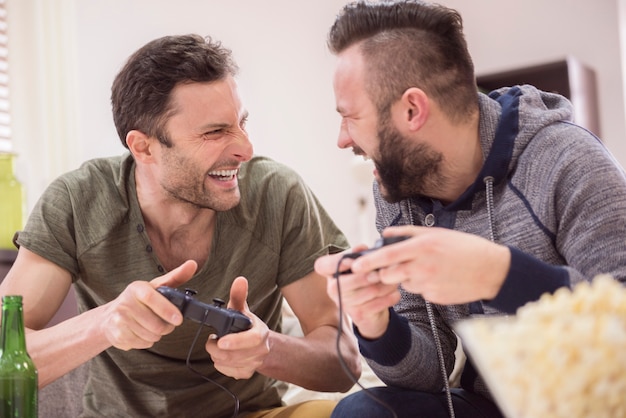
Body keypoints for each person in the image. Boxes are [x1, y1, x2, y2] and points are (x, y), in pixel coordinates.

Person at [0, 34, 361, 418]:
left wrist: (268, 348)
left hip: (252, 413)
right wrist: (104, 324)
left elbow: (345, 364)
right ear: (144, 148)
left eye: (242, 123)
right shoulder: (77, 201)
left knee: (355, 412)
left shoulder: (278, 194)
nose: (245, 148)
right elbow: (6, 355)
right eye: (215, 132)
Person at [313, 1, 626, 418]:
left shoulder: (567, 160)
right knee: (362, 412)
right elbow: (429, 375)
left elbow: (619, 324)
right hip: (490, 405)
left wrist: (500, 275)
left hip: (588, 402)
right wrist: (376, 323)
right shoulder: (397, 191)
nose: (341, 139)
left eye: (350, 117)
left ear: (412, 110)